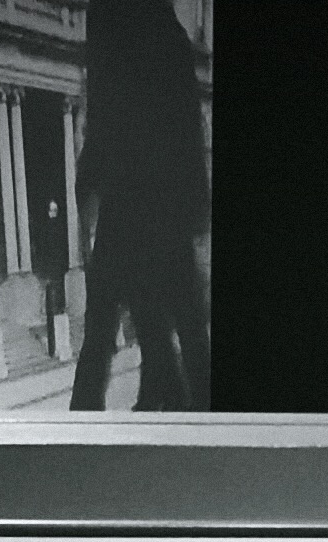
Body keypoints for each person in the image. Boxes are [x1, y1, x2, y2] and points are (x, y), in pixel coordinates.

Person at [70, 0, 211, 411]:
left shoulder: (111, 20)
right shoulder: (168, 35)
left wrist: (89, 188)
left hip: (127, 202)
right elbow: (187, 126)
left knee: (109, 333)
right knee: (177, 328)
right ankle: (181, 408)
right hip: (161, 203)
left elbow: (102, 115)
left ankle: (92, 427)